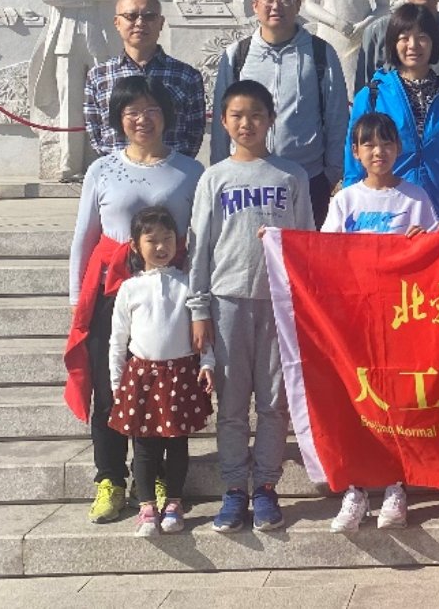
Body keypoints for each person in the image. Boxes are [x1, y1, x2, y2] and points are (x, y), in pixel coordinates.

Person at [62, 74, 203, 524]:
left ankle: (161, 477)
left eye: (152, 110)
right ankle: (110, 479)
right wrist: (77, 299)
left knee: (164, 385)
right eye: (132, 112)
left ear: (167, 115)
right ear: (118, 119)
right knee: (110, 388)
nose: (143, 119)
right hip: (111, 292)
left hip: (169, 296)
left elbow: (201, 239)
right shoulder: (102, 170)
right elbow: (84, 237)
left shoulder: (190, 171)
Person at [189, 80, 317, 535]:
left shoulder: (291, 176)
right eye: (237, 116)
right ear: (224, 123)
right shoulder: (214, 177)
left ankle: (265, 486)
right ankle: (233, 489)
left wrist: (303, 305)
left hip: (278, 305)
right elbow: (200, 247)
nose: (247, 124)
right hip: (227, 302)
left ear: (271, 119)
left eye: (256, 115)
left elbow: (305, 242)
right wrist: (198, 309)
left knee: (273, 402)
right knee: (231, 405)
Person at [323, 111, 439, 534]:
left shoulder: (415, 197)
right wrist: (278, 241)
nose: (379, 151)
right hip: (355, 323)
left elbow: (438, 256)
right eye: (369, 144)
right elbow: (322, 255)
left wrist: (427, 240)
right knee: (358, 402)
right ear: (355, 152)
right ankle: (355, 489)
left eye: (386, 142)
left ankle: (396, 485)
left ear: (399, 148)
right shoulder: (345, 201)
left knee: (396, 400)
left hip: (400, 321)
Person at [106, 206, 214, 537]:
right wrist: (116, 381)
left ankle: (174, 504)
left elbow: (203, 332)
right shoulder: (130, 288)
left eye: (167, 238)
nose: (161, 246)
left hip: (180, 374)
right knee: (144, 446)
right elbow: (118, 339)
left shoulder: (187, 284)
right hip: (141, 376)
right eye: (151, 240)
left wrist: (207, 362)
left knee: (177, 443)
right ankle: (147, 508)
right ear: (135, 245)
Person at [211, 0, 349, 223]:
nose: (276, 6)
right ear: (255, 5)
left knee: (302, 247)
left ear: (298, 5)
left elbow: (337, 116)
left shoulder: (319, 53)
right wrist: (220, 170)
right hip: (245, 180)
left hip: (306, 178)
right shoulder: (237, 55)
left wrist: (332, 173)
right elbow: (222, 120)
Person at [31, 0, 136, 181]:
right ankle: (69, 163)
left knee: (109, 100)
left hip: (103, 40)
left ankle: (109, 159)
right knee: (69, 104)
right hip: (66, 41)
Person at [346, 4, 439, 223]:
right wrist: (351, 210)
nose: (413, 45)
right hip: (386, 214)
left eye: (422, 37)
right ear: (393, 44)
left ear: (434, 43)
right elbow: (354, 161)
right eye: (404, 38)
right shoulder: (372, 95)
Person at [84, 0, 207, 160]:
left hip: (171, 169)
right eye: (131, 16)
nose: (140, 23)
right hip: (117, 171)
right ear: (117, 22)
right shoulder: (99, 76)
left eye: (149, 17)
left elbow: (194, 132)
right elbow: (95, 129)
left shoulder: (186, 76)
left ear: (161, 23)